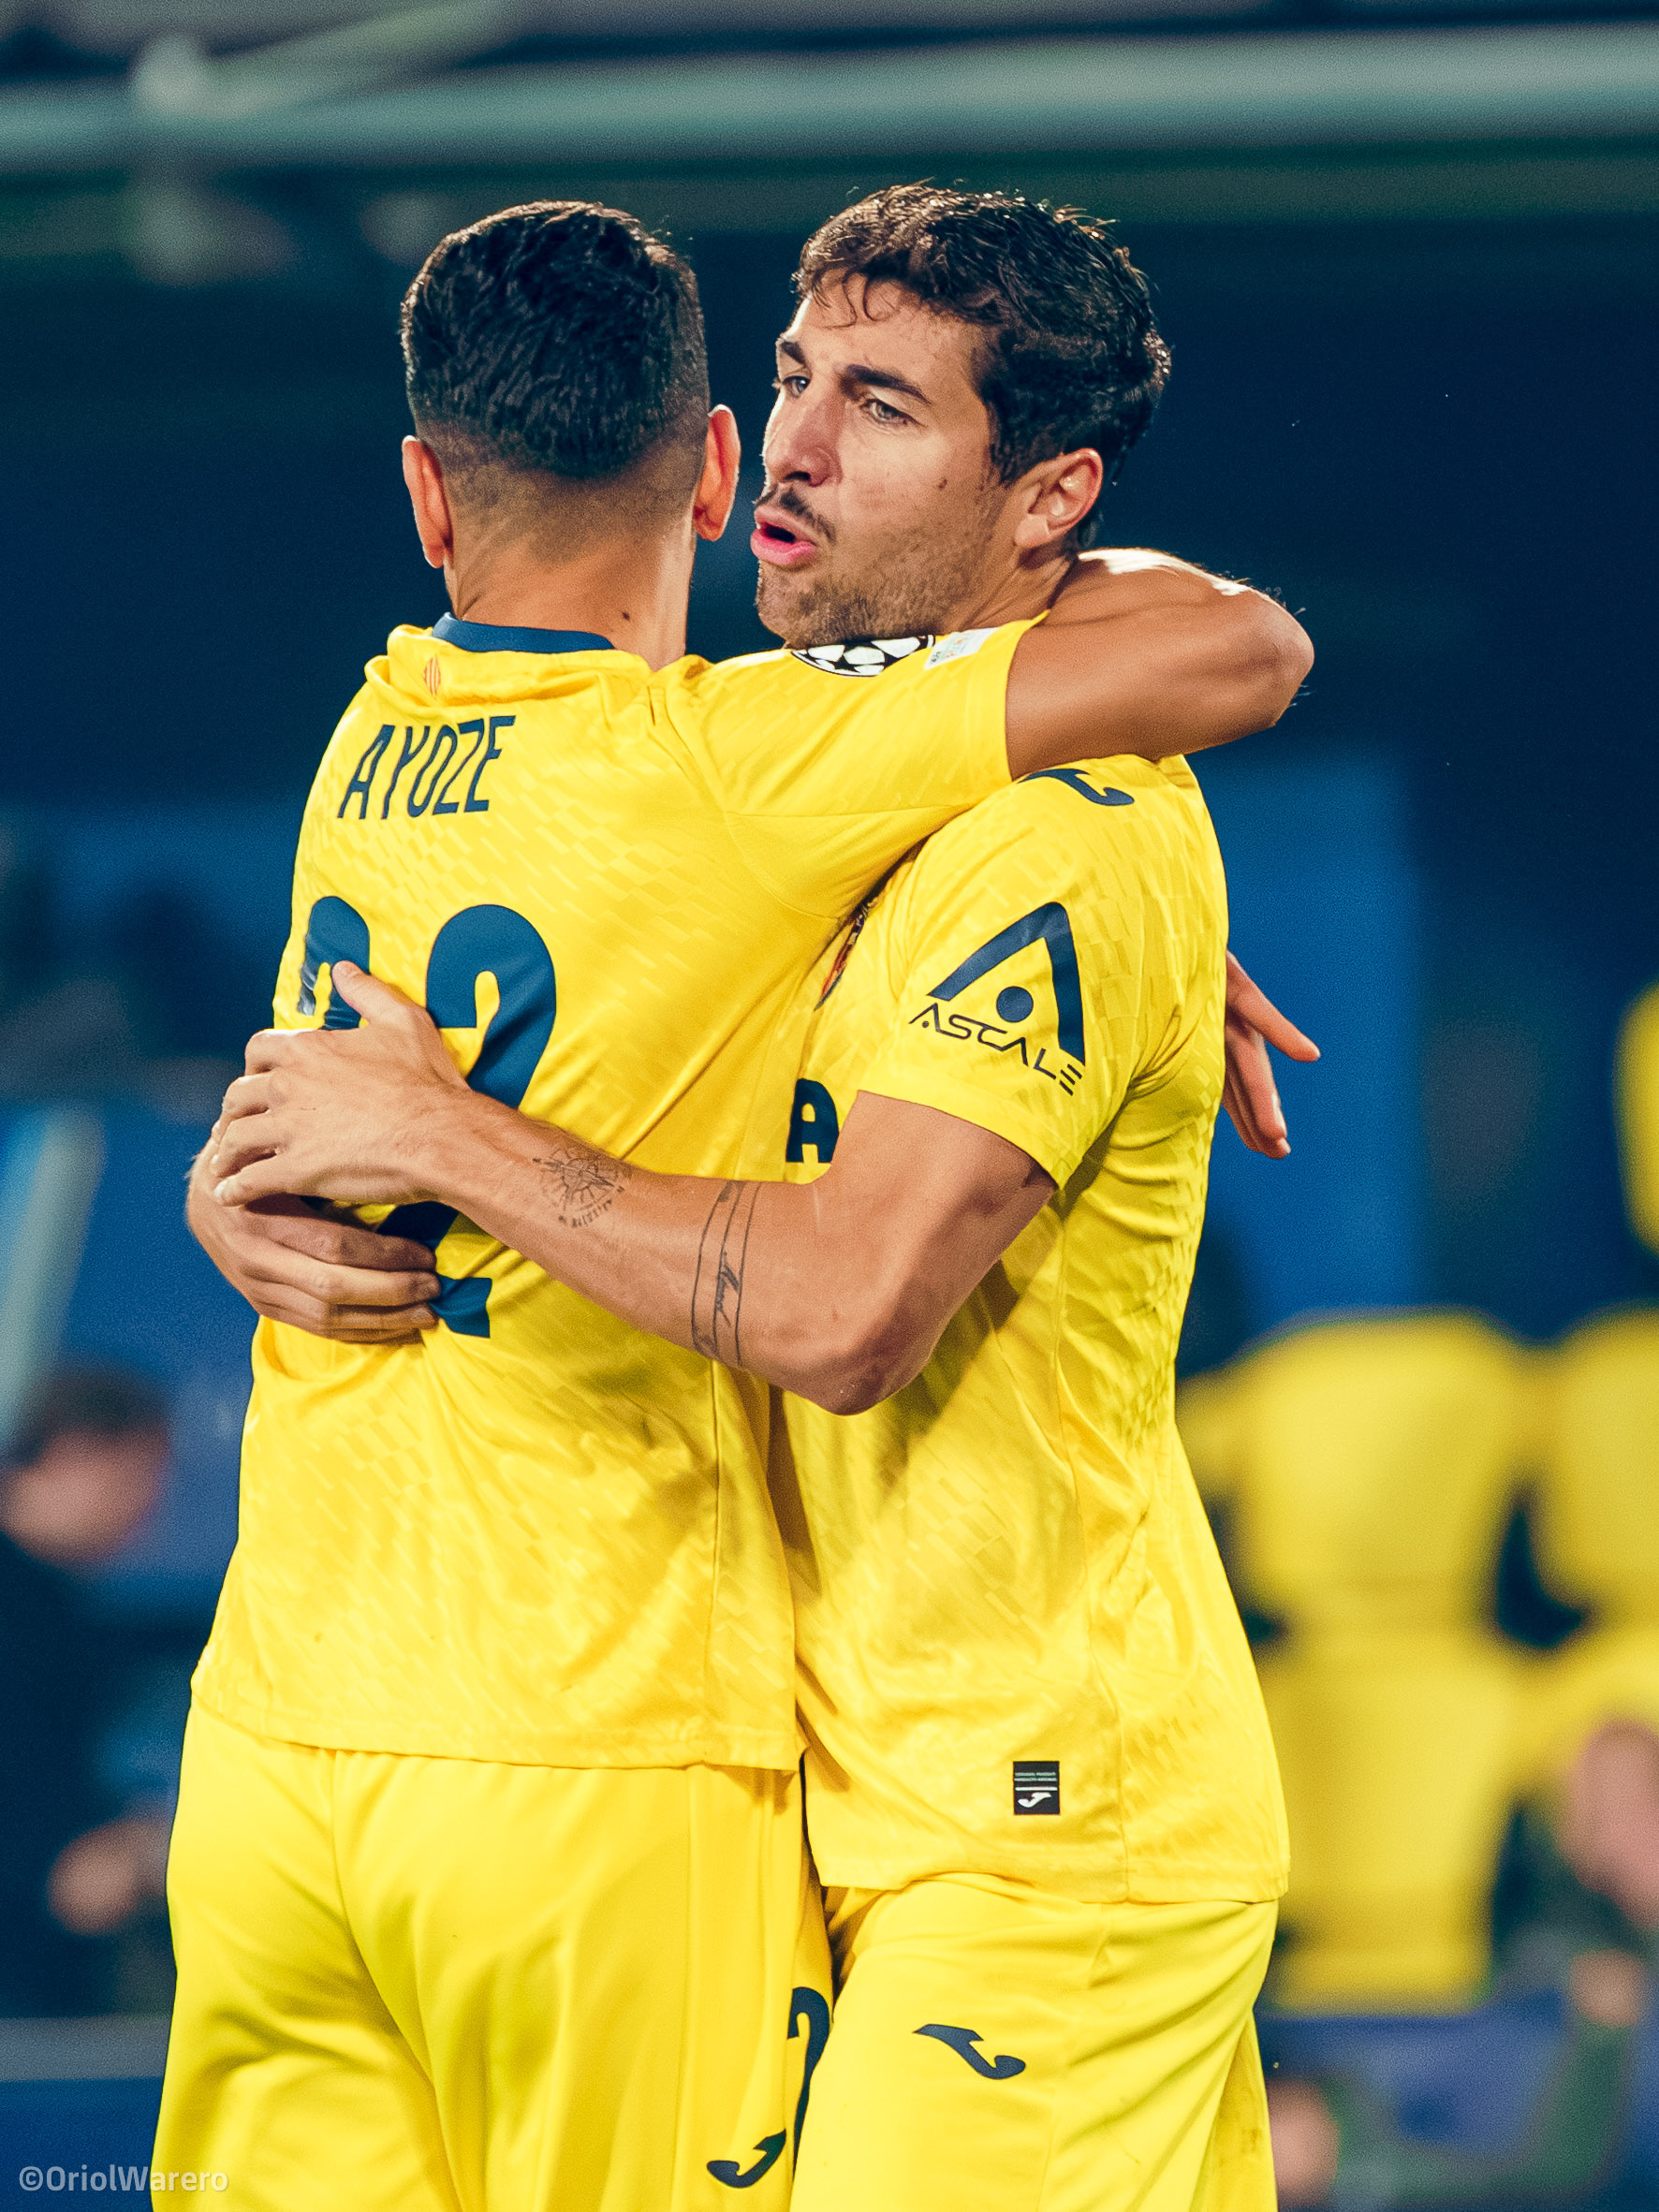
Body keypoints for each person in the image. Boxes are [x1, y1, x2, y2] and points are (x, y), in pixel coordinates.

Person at [203, 187, 1311, 2209]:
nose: (799, 444)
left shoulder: (1036, 830)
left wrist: (446, 1139)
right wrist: (259, 1160)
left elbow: (839, 1313)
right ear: (713, 455)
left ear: (1047, 493)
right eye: (792, 382)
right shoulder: (782, 785)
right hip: (822, 1774)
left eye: (879, 406)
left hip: (1030, 1800)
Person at [0, 1366, 171, 2016]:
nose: (149, 1504)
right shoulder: (28, 1612)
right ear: (74, 1452)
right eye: (138, 1474)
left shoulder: (57, 1607)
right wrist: (52, 1870)